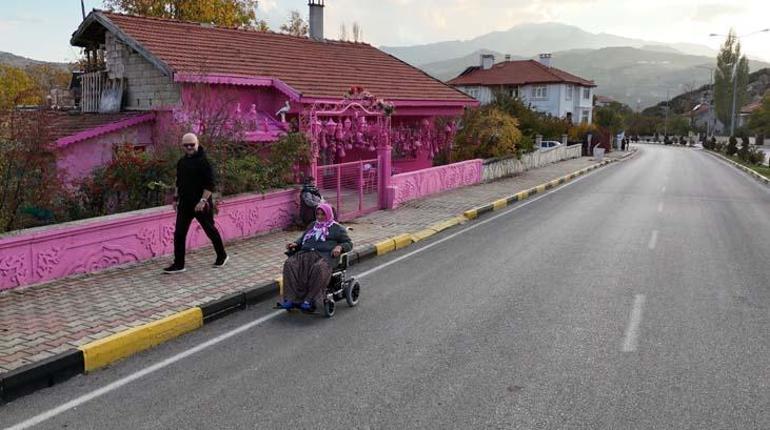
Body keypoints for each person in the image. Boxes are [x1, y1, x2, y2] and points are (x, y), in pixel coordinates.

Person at [163, 133, 228, 274]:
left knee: (210, 230)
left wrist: (203, 201)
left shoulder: (204, 162)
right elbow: (178, 182)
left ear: (197, 143)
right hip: (185, 204)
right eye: (186, 145)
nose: (189, 147)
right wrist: (175, 199)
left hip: (201, 204)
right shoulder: (181, 162)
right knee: (179, 233)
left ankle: (222, 255)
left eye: (191, 144)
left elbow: (210, 185)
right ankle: (179, 264)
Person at [280, 202, 352, 311]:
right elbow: (303, 238)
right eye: (317, 214)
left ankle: (309, 300)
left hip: (325, 256)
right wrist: (295, 243)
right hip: (306, 254)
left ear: (328, 214)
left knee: (318, 268)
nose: (319, 217)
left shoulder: (337, 228)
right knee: (290, 264)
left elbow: (348, 243)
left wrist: (339, 247)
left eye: (322, 214)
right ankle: (290, 299)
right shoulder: (313, 225)